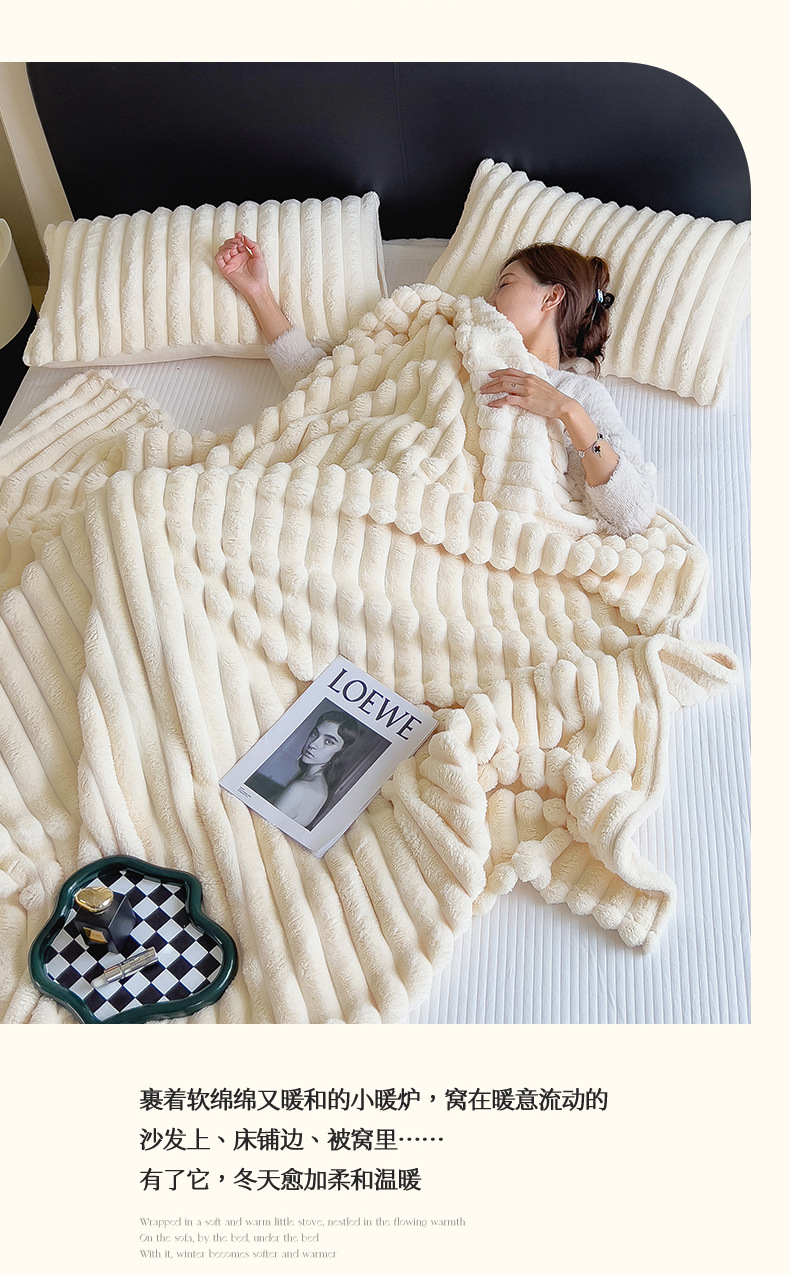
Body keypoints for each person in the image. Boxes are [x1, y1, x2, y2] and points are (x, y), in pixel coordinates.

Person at [214, 234, 656, 537]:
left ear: (551, 296)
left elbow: (633, 514)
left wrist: (567, 412)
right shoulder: (447, 339)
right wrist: (258, 294)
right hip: (380, 492)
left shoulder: (578, 396)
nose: (485, 301)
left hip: (476, 534)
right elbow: (328, 388)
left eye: (504, 285)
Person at [246, 710, 362, 829]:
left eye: (328, 742)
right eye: (314, 734)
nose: (313, 744)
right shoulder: (319, 787)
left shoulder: (300, 788)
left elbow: (264, 829)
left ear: (340, 752)